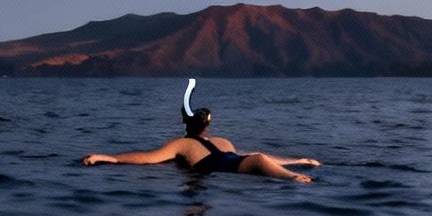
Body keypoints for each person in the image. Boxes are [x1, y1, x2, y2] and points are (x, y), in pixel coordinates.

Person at [81, 80, 321, 182]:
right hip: (238, 164)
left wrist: (109, 158)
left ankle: (293, 178)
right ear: (207, 125)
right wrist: (297, 160)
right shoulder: (221, 140)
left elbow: (148, 158)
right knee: (258, 158)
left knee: (258, 159)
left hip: (233, 167)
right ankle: (293, 176)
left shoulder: (181, 144)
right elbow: (258, 158)